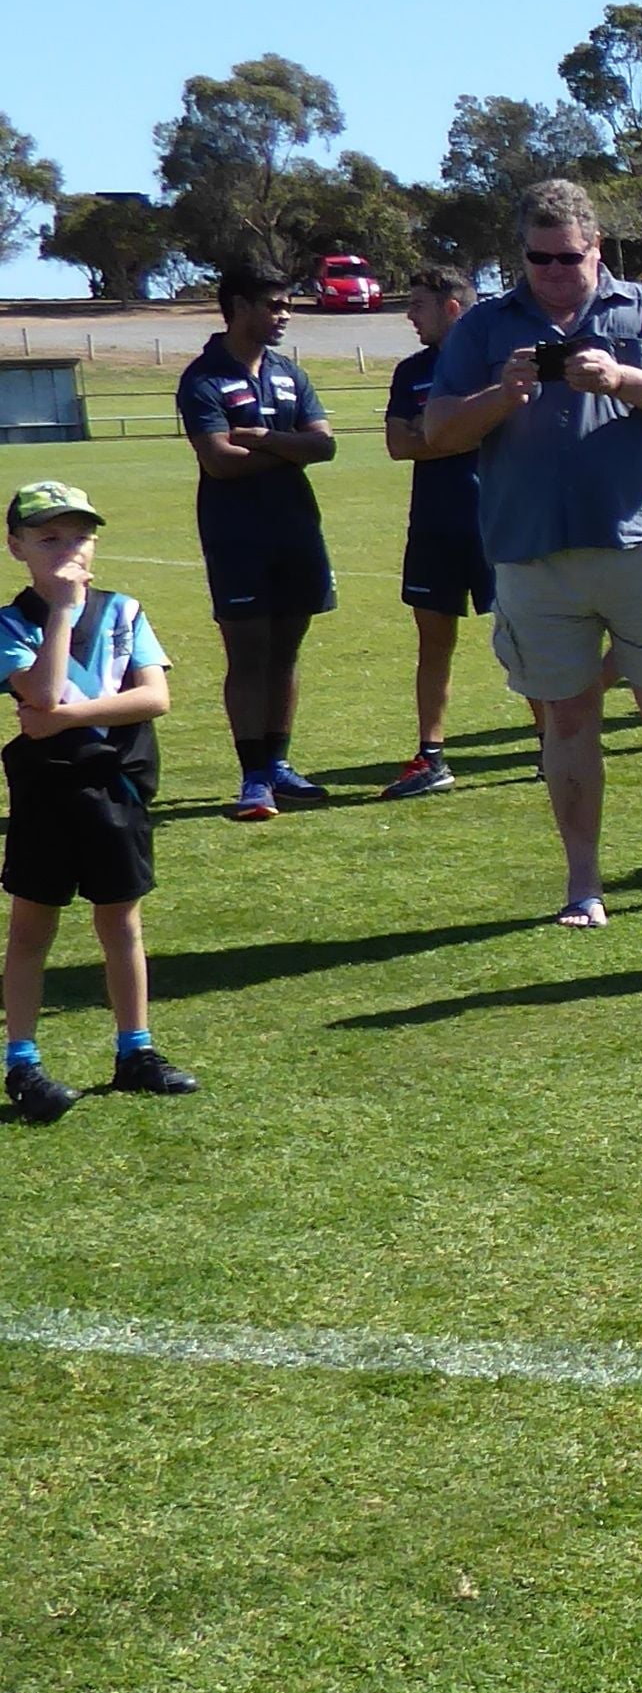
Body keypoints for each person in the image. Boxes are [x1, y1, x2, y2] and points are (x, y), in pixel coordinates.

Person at [422, 179, 642, 929]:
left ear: (596, 249)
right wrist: (498, 397)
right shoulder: (485, 326)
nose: (551, 272)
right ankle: (584, 885)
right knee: (567, 721)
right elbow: (437, 430)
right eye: (536, 259)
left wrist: (624, 378)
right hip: (532, 552)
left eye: (566, 258)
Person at [0, 479, 198, 1121]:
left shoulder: (125, 611)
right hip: (48, 794)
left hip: (116, 787)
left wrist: (61, 718)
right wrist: (60, 610)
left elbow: (153, 698)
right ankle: (22, 1061)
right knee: (33, 928)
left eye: (80, 536)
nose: (68, 550)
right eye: (48, 538)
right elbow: (41, 687)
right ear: (16, 547)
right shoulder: (10, 624)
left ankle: (134, 1050)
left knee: (121, 921)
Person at [176, 262, 337, 821]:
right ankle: (252, 779)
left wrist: (265, 439)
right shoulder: (202, 378)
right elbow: (219, 462)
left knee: (286, 652)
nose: (284, 316)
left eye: (287, 306)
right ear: (239, 307)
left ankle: (279, 766)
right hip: (236, 536)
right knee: (248, 655)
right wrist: (290, 449)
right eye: (274, 306)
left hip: (297, 529)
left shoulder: (290, 372)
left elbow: (325, 446)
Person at [379, 265, 493, 797]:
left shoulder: (492, 362)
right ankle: (431, 758)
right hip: (432, 525)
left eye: (418, 305)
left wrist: (440, 432)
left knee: (523, 638)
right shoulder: (410, 371)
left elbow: (500, 432)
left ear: (451, 307)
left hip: (496, 521)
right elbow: (399, 445)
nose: (408, 316)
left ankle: (550, 744)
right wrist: (459, 434)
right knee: (433, 644)